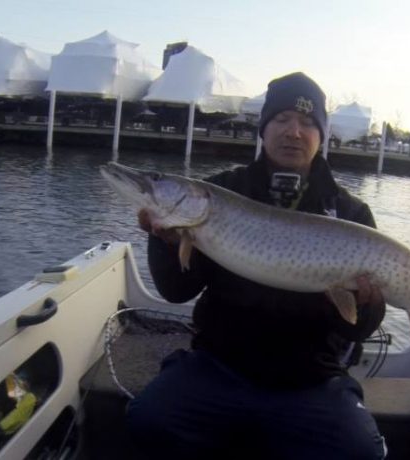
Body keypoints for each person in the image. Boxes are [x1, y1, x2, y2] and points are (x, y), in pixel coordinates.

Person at [125, 72, 387, 459]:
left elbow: (362, 326)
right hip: (219, 367)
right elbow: (176, 291)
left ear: (321, 135)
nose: (293, 132)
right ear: (263, 129)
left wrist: (365, 302)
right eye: (281, 119)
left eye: (307, 122)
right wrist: (165, 242)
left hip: (311, 380)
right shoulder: (218, 193)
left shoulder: (350, 213)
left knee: (361, 452)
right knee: (145, 421)